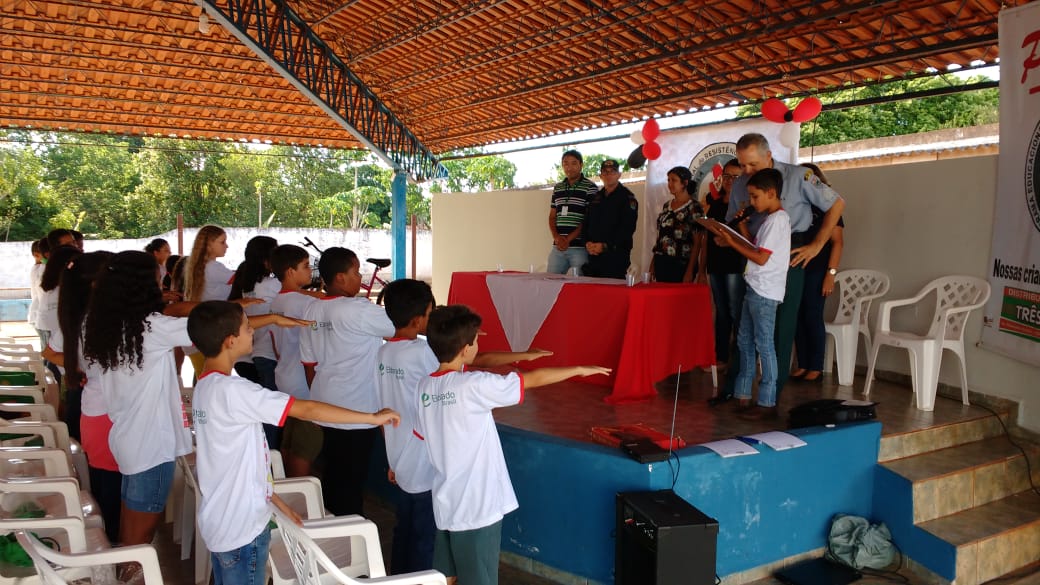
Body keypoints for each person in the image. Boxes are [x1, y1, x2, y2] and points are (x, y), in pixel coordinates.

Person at [187, 300, 400, 585]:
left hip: (221, 521)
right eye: (248, 328)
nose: (253, 332)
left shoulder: (205, 385)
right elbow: (308, 409)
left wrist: (275, 502)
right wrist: (371, 417)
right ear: (230, 340)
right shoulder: (235, 391)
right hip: (242, 529)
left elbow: (233, 465)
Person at [415, 304, 609, 585]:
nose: (478, 345)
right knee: (479, 579)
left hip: (446, 501)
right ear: (466, 349)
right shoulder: (473, 385)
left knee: (446, 577)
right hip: (478, 506)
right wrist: (579, 369)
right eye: (476, 341)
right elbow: (532, 379)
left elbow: (424, 433)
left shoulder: (424, 388)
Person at [377, 279, 551, 575]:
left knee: (405, 531)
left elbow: (384, 407)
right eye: (430, 313)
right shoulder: (422, 354)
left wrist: (393, 459)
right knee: (425, 545)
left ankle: (399, 579)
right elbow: (476, 359)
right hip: (425, 465)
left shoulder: (383, 353)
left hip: (400, 459)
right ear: (418, 319)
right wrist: (521, 355)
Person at [720, 133, 845, 401]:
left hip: (789, 256)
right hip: (752, 254)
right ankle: (735, 390)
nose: (746, 170)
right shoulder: (741, 183)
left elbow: (836, 203)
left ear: (768, 156)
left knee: (780, 327)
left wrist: (817, 245)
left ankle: (770, 396)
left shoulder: (798, 176)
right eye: (742, 164)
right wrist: (727, 235)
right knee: (743, 326)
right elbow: (734, 220)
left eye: (752, 164)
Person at [300, 247, 395, 516]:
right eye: (356, 272)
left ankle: (333, 524)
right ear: (340, 277)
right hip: (357, 408)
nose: (360, 277)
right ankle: (349, 532)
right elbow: (401, 327)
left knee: (334, 472)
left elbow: (308, 363)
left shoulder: (311, 309)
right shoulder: (358, 310)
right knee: (352, 479)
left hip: (325, 404)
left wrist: (318, 399)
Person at [40, 251, 120, 543]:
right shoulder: (100, 320)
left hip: (94, 413)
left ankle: (106, 541)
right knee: (110, 488)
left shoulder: (77, 317)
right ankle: (110, 546)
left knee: (103, 484)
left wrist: (76, 366)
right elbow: (50, 352)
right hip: (106, 414)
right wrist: (77, 366)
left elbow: (49, 351)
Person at [716, 168, 791, 420]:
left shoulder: (777, 221)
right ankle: (743, 394)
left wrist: (731, 242)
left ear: (771, 193)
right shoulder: (769, 220)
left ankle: (767, 401)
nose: (752, 202)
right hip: (755, 287)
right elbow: (754, 247)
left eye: (755, 196)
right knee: (744, 341)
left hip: (765, 291)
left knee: (764, 344)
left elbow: (760, 258)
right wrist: (740, 227)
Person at [269, 244, 322, 478]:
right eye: (305, 266)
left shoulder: (276, 302)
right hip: (302, 378)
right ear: (290, 271)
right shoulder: (304, 303)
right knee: (306, 441)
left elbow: (274, 345)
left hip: (284, 373)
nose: (310, 271)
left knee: (290, 437)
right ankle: (300, 486)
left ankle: (288, 482)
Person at [791, 163, 845, 382]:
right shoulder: (796, 205)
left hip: (818, 269)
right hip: (796, 266)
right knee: (796, 315)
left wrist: (830, 274)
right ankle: (803, 363)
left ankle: (816, 365)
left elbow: (838, 242)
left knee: (812, 315)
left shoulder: (829, 207)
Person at [705, 159, 747, 375]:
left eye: (736, 177)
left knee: (735, 310)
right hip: (715, 263)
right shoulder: (715, 203)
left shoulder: (745, 205)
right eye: (727, 176)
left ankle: (740, 358)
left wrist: (730, 241)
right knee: (721, 312)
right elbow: (707, 235)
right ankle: (720, 356)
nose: (730, 180)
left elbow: (752, 238)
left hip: (735, 264)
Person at [184, 225, 234, 375]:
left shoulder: (198, 266)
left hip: (199, 333)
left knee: (203, 376)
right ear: (209, 244)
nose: (226, 246)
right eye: (222, 242)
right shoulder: (214, 268)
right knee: (212, 377)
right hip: (209, 334)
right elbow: (240, 280)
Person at [582, 159, 638, 278]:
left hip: (615, 257)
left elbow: (627, 229)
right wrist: (587, 242)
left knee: (613, 290)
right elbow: (586, 223)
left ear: (619, 175)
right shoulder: (596, 198)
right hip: (594, 257)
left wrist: (605, 246)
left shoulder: (627, 198)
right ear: (600, 176)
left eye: (612, 171)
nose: (608, 175)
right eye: (605, 172)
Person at [650, 166, 706, 283]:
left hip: (681, 264)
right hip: (661, 261)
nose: (670, 184)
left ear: (685, 183)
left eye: (674, 180)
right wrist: (653, 263)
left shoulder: (694, 207)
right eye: (668, 180)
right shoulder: (667, 206)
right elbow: (660, 237)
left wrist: (690, 271)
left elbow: (698, 243)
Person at [547, 150, 597, 275]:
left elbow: (588, 219)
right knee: (550, 282)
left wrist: (568, 239)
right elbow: (552, 216)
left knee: (579, 284)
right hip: (558, 247)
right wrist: (557, 238)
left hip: (579, 248)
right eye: (566, 163)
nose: (569, 167)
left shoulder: (590, 187)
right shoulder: (558, 188)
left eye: (574, 163)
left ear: (581, 165)